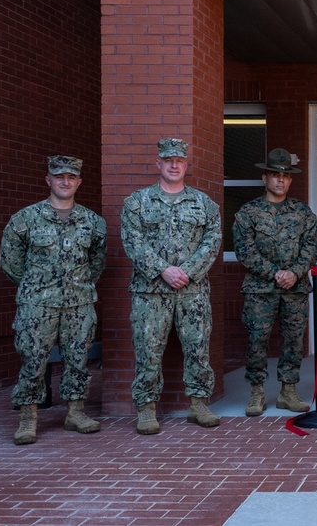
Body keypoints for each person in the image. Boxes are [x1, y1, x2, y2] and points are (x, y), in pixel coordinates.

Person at [0, 155, 107, 445]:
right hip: (37, 304)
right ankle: (28, 419)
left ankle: (75, 413)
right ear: (48, 180)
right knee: (33, 360)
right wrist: (37, 286)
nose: (65, 182)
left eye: (71, 177)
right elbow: (10, 261)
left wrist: (78, 285)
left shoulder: (92, 222)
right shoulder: (25, 220)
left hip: (79, 302)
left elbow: (97, 261)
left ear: (79, 182)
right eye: (59, 177)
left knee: (77, 360)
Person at [121, 138, 222, 435]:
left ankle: (199, 404)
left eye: (179, 160)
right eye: (168, 161)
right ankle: (147, 408)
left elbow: (212, 242)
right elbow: (132, 242)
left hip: (193, 291)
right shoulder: (137, 203)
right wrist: (163, 270)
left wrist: (187, 272)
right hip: (150, 292)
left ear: (186, 165)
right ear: (159, 164)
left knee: (198, 348)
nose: (174, 165)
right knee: (148, 350)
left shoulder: (204, 204)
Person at [233, 149, 317, 416]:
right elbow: (244, 250)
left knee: (294, 340)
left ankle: (288, 391)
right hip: (260, 290)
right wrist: (274, 273)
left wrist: (294, 272)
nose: (280, 180)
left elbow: (311, 245)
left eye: (285, 176)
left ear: (290, 180)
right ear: (264, 178)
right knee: (257, 340)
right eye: (275, 175)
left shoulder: (303, 212)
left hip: (296, 288)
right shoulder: (248, 213)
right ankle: (256, 392)